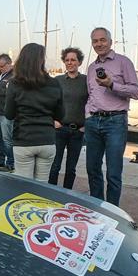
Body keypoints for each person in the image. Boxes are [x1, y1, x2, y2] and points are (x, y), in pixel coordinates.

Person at [85, 27, 138, 205]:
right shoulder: (91, 67)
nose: (99, 44)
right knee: (92, 169)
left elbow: (136, 92)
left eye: (102, 40)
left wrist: (112, 84)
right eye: (95, 41)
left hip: (115, 122)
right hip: (93, 122)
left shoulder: (123, 62)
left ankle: (112, 211)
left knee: (113, 172)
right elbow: (90, 94)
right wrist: (87, 114)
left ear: (110, 41)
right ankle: (97, 207)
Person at [3, 43, 63, 182]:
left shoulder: (15, 83)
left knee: (24, 188)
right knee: (42, 186)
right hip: (47, 140)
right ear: (41, 60)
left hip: (24, 139)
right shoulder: (54, 83)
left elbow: (9, 114)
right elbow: (61, 115)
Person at [49, 47, 88, 189]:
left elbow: (92, 104)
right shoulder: (57, 80)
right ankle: (50, 193)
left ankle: (67, 195)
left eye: (73, 60)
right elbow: (49, 102)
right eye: (67, 60)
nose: (70, 63)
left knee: (71, 169)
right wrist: (53, 120)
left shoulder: (86, 81)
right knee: (55, 166)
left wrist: (86, 126)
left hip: (78, 132)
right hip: (59, 130)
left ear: (80, 62)